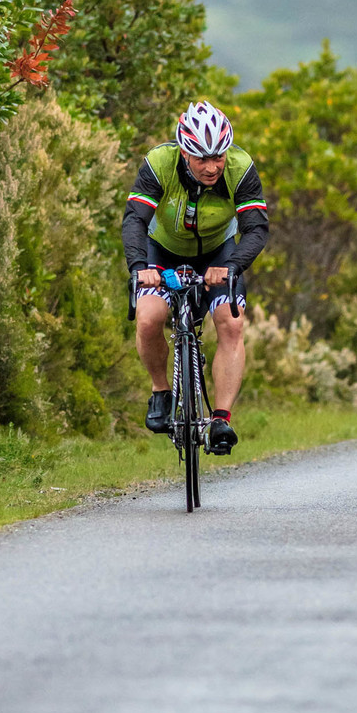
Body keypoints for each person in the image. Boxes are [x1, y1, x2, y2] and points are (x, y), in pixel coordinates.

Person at [122, 101, 269, 453]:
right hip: (162, 251)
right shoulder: (159, 163)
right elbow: (135, 220)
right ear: (185, 152)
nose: (212, 167)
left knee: (232, 323)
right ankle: (161, 391)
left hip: (219, 254)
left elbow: (256, 229)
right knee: (148, 318)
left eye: (218, 156)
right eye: (202, 158)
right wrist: (139, 267)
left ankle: (220, 419)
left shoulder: (240, 168)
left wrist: (233, 266)